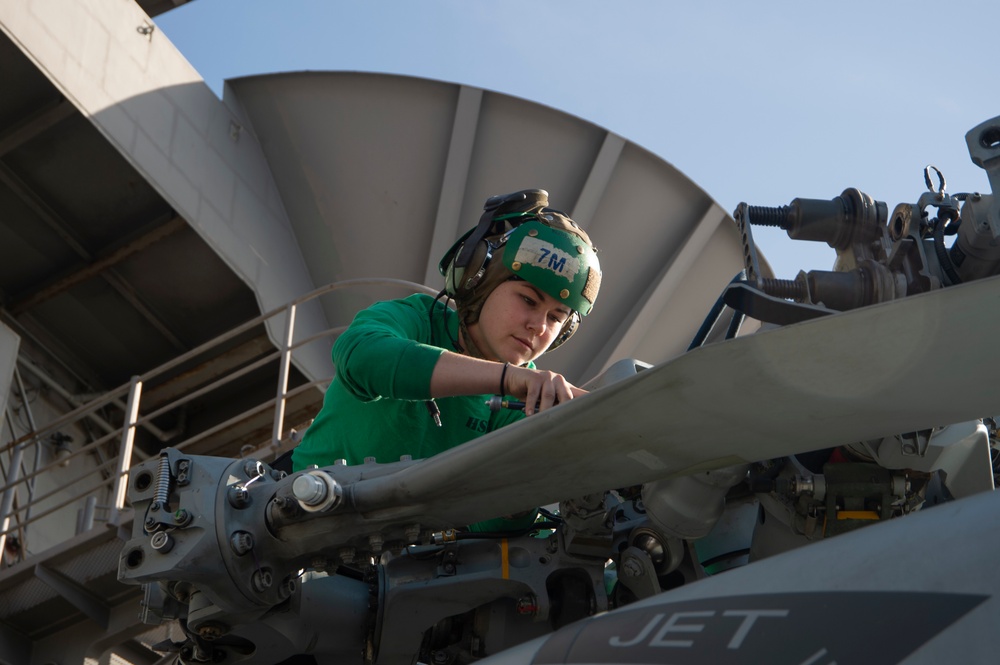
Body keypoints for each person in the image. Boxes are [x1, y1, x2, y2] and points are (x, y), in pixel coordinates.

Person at [291, 189, 601, 531]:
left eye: (557, 318)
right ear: (477, 277)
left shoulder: (527, 401)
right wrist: (507, 379)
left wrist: (522, 491)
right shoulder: (416, 320)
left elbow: (489, 531)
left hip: (390, 566)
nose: (539, 326)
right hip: (296, 514)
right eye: (528, 300)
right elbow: (360, 359)